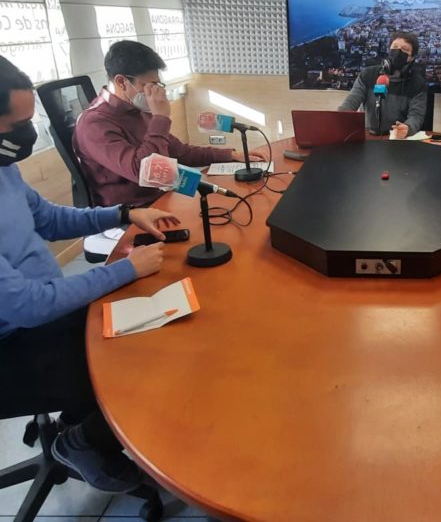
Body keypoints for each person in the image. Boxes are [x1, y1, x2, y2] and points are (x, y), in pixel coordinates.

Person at [0, 55, 178, 492]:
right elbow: (26, 305)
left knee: (152, 322)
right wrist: (124, 269)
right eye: (16, 126)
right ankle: (81, 441)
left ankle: (78, 419)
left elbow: (51, 220)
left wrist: (124, 213)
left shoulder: (3, 170)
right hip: (14, 344)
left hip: (44, 312)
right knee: (136, 356)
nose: (27, 136)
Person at [73, 40, 270, 207]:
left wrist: (229, 155)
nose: (154, 92)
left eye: (157, 84)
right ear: (121, 82)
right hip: (130, 216)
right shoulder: (94, 124)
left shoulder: (138, 110)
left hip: (162, 199)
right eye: (148, 85)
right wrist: (160, 118)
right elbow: (144, 172)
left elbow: (179, 151)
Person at [338, 31, 428, 138]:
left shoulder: (418, 83)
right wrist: (338, 118)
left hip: (397, 140)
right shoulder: (368, 74)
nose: (398, 51)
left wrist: (408, 128)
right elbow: (351, 101)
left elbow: (416, 115)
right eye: (395, 47)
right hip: (367, 136)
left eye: (404, 49)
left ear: (412, 57)